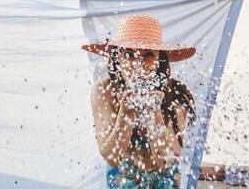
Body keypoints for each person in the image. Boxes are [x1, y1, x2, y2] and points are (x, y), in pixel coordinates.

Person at [81, 14, 197, 188]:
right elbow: (112, 158)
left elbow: (165, 163)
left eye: (148, 54)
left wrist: (154, 113)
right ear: (117, 58)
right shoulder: (104, 91)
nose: (138, 63)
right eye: (128, 54)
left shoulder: (177, 94)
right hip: (122, 180)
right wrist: (126, 113)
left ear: (160, 60)